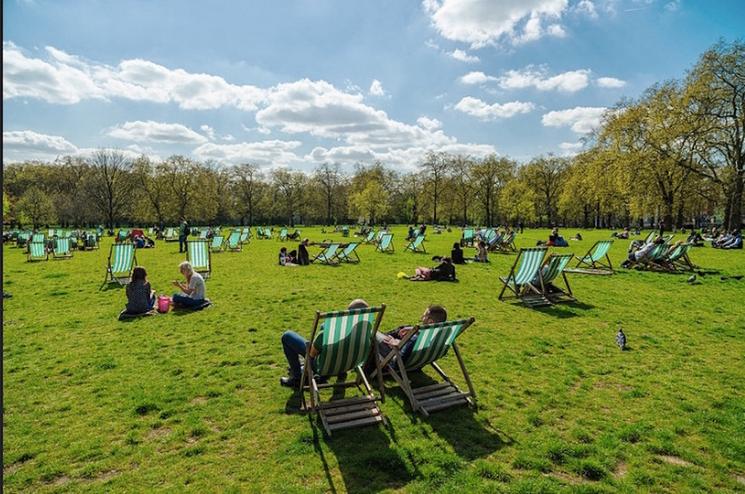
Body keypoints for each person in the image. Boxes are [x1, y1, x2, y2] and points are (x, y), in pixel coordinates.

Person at [280, 299, 370, 388]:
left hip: (323, 368)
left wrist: (309, 363)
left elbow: (312, 353)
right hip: (348, 366)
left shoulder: (331, 332)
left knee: (287, 336)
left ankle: (297, 378)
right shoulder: (368, 333)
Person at [375, 305, 448, 366]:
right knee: (404, 328)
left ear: (430, 321)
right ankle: (385, 335)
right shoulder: (440, 336)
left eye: (424, 316)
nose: (421, 318)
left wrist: (397, 344)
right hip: (416, 361)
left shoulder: (418, 339)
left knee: (374, 334)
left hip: (397, 360)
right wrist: (414, 330)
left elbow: (404, 353)